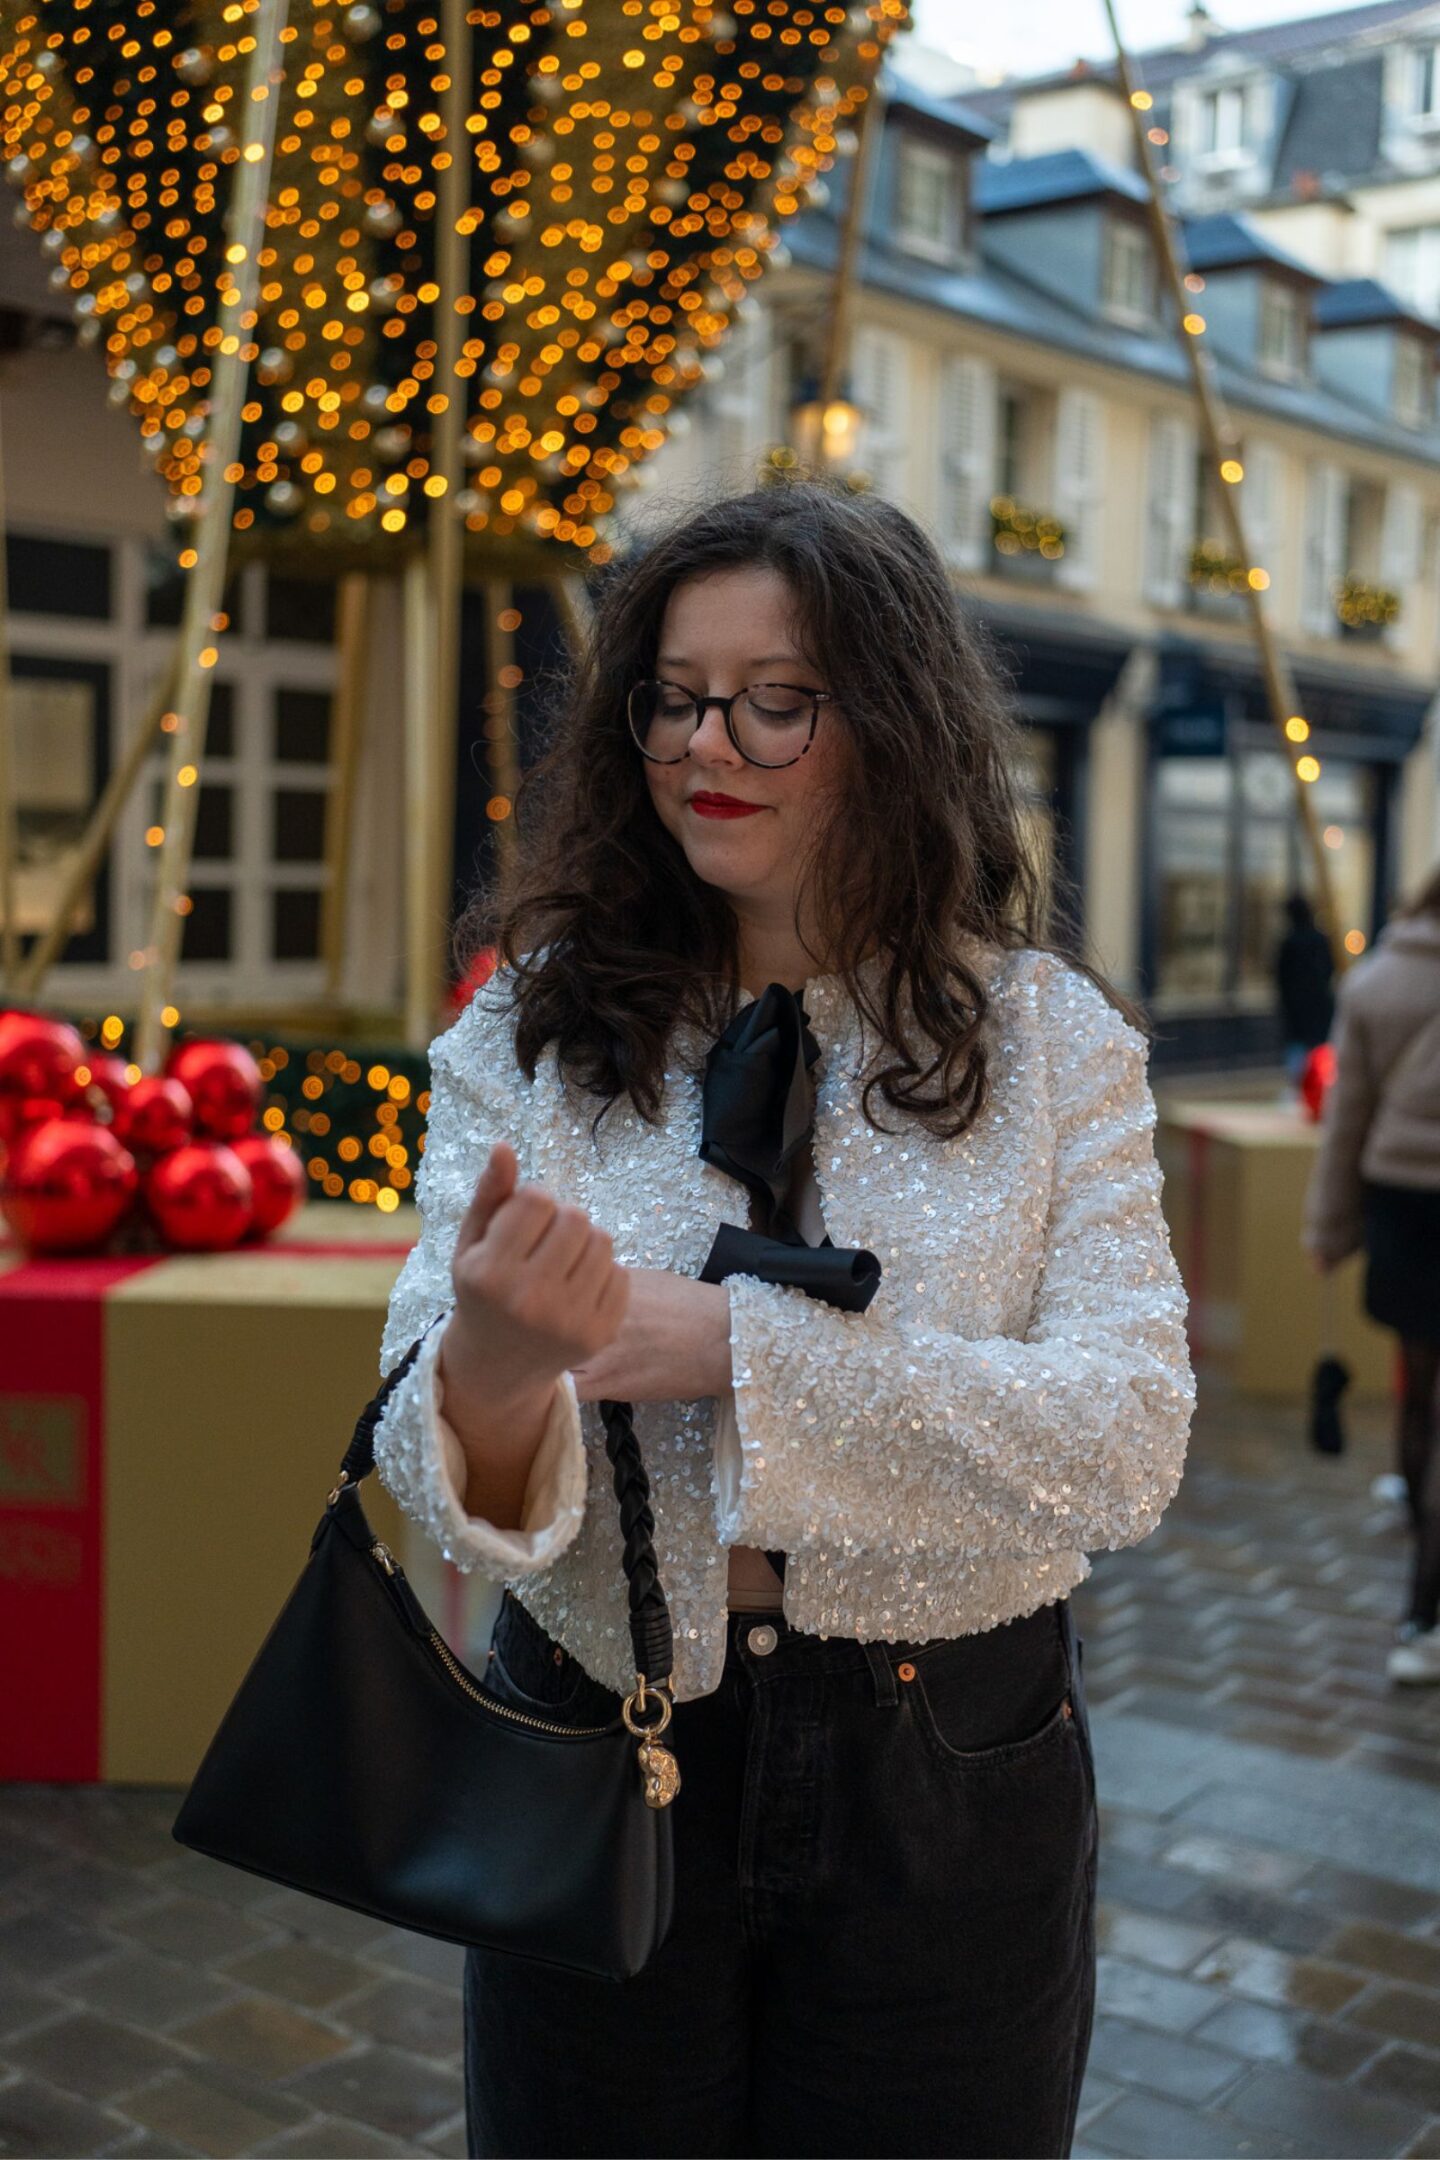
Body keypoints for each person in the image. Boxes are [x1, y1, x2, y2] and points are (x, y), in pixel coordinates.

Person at [373, 481, 1195, 2159]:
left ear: (891, 724)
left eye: (777, 699)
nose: (705, 743)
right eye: (673, 695)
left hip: (951, 1770)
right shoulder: (530, 1035)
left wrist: (739, 1357)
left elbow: (1130, 1435)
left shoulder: (1051, 1047)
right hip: (593, 1742)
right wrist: (498, 1372)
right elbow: (415, 1443)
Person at [1305, 866, 1440, 1686]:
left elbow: (1346, 1114)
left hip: (1402, 1206)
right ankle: (1426, 1613)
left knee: (1418, 1379)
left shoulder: (1379, 981)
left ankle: (1412, 1489)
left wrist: (1329, 1228)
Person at [1276, 891, 1335, 1088]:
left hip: (1297, 1014)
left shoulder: (1289, 943)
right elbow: (1329, 969)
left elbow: (1281, 978)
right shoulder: (1319, 940)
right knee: (1319, 1061)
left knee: (1298, 1062)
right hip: (1319, 1011)